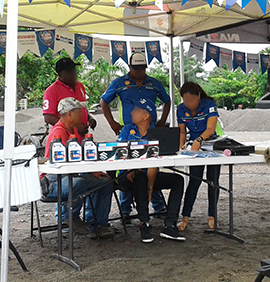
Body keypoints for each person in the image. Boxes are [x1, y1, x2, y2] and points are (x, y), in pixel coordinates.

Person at [100, 52, 170, 217]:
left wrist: (161, 122)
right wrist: (112, 123)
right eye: (136, 68)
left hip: (150, 131)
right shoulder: (119, 83)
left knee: (151, 165)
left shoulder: (154, 83)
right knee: (128, 164)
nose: (139, 72)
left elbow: (167, 100)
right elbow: (104, 101)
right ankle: (125, 210)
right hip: (128, 130)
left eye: (142, 68)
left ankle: (158, 206)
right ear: (129, 67)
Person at [43, 98, 114, 239]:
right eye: (79, 112)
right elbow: (64, 164)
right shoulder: (58, 132)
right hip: (52, 181)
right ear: (70, 114)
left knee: (105, 182)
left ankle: (98, 224)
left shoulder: (73, 130)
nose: (83, 115)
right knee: (78, 183)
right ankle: (71, 218)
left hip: (69, 176)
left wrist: (92, 171)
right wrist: (89, 171)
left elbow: (80, 157)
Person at [116, 99, 185, 243]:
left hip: (148, 174)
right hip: (125, 175)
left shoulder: (157, 133)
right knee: (139, 175)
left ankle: (170, 224)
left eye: (136, 110)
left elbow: (155, 162)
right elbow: (120, 153)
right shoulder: (127, 129)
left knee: (178, 179)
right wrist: (131, 169)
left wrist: (151, 186)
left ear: (146, 115)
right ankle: (144, 223)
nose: (132, 113)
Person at [176, 82, 223, 231]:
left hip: (211, 145)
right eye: (185, 101)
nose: (189, 104)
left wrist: (199, 140)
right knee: (194, 181)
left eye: (191, 100)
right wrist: (181, 145)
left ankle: (212, 216)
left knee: (213, 181)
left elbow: (210, 128)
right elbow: (182, 131)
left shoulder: (209, 105)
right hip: (194, 149)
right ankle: (185, 217)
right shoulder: (181, 110)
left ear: (199, 96)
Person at [43, 57, 97, 136]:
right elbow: (48, 117)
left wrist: (89, 118)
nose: (74, 74)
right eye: (70, 72)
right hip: (65, 137)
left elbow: (82, 107)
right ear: (60, 74)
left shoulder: (80, 86)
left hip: (83, 136)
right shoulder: (51, 91)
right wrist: (74, 127)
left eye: (74, 70)